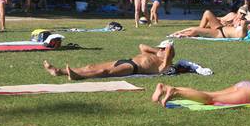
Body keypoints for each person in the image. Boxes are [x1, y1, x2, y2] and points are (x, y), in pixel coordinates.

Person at [43, 40, 175, 80]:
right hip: (126, 60)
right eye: (161, 49)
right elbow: (141, 46)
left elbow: (169, 49)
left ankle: (78, 76)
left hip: (133, 67)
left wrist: (166, 50)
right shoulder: (155, 55)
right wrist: (157, 51)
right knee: (91, 66)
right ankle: (58, 71)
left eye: (163, 49)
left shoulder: (165, 64)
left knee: (104, 71)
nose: (162, 50)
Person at [169, 9, 247, 39]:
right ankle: (196, 31)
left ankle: (180, 33)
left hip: (220, 33)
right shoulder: (232, 15)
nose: (241, 15)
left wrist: (243, 24)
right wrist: (225, 22)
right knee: (207, 12)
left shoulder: (244, 25)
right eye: (240, 13)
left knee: (196, 29)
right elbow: (220, 18)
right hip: (220, 26)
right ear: (237, 12)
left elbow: (242, 35)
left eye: (244, 14)